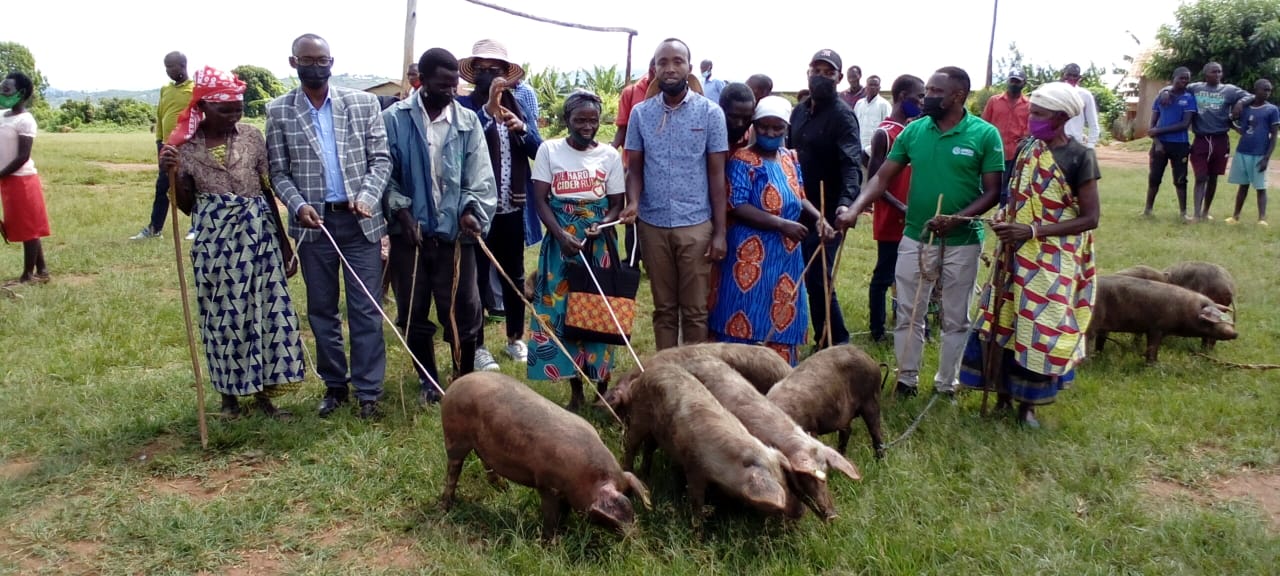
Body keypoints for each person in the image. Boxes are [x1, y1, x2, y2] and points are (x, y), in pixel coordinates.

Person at [836, 66, 1003, 401]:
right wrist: (854, 209)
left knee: (956, 317)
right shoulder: (914, 132)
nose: (927, 98)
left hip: (963, 240)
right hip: (916, 236)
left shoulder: (984, 134)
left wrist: (957, 218)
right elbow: (881, 177)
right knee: (909, 311)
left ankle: (946, 385)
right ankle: (906, 380)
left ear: (957, 96)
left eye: (935, 92)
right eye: (926, 90)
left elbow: (992, 192)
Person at [159, 66, 305, 419]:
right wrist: (170, 173)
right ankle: (229, 398)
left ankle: (265, 396)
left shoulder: (252, 137)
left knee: (267, 314)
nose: (234, 115)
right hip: (216, 244)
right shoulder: (183, 149)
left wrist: (285, 245)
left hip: (259, 239)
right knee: (224, 318)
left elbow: (268, 192)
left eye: (238, 108)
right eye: (226, 110)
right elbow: (187, 205)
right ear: (204, 108)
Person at [265, 34, 392, 419]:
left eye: (322, 60)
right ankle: (335, 386)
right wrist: (299, 204)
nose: (316, 66)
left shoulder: (363, 102)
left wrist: (368, 197)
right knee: (322, 310)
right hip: (314, 226)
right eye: (308, 60)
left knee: (366, 308)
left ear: (332, 62)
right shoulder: (279, 111)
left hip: (360, 222)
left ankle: (369, 390)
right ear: (293, 63)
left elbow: (381, 160)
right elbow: (278, 171)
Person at [959, 82, 1100, 427]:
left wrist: (1034, 231)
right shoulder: (1026, 150)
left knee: (1040, 326)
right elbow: (1014, 198)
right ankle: (1003, 397)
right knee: (1005, 322)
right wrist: (1004, 220)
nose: (1032, 118)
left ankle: (1028, 407)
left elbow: (1090, 218)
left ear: (1062, 116)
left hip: (1053, 258)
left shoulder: (1080, 157)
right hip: (1015, 253)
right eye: (1031, 112)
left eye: (1039, 113)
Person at [383, 48, 496, 406]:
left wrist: (470, 210)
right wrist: (401, 213)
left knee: (464, 311)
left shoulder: (467, 121)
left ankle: (463, 382)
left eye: (454, 85)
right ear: (423, 82)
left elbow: (479, 175)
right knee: (413, 311)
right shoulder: (394, 119)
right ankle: (429, 382)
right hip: (409, 238)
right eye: (442, 84)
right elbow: (385, 176)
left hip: (455, 238)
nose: (451, 91)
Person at [620, 38, 729, 351]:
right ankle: (666, 380)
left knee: (695, 310)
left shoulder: (710, 114)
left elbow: (716, 175)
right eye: (662, 62)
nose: (669, 68)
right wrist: (635, 202)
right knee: (664, 309)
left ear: (689, 68)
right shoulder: (641, 114)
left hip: (696, 224)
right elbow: (635, 169)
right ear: (654, 69)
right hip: (652, 225)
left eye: (677, 61)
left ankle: (696, 379)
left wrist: (720, 232)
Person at [709, 96, 834, 365]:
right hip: (749, 253)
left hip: (786, 255)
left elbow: (799, 194)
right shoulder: (742, 160)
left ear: (786, 129)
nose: (769, 132)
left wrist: (818, 217)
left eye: (777, 128)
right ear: (754, 126)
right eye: (763, 126)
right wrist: (781, 224)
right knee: (744, 310)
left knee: (782, 309)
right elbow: (736, 204)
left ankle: (778, 376)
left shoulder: (790, 157)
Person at [528, 90, 625, 409]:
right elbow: (541, 199)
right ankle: (576, 392)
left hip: (598, 245)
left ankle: (601, 388)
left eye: (593, 120)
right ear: (566, 120)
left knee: (599, 315)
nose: (587, 126)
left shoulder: (610, 155)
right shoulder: (549, 150)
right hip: (561, 245)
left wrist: (603, 225)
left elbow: (616, 205)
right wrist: (558, 234)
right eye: (580, 119)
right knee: (564, 313)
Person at [456, 39, 542, 370]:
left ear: (507, 74)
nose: (490, 74)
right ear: (474, 72)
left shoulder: (519, 105)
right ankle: (477, 346)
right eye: (483, 69)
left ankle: (514, 338)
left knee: (514, 275)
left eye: (496, 69)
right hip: (477, 210)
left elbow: (538, 150)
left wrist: (522, 130)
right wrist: (487, 111)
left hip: (512, 206)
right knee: (475, 278)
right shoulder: (464, 106)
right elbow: (462, 142)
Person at [790, 48, 862, 349]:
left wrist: (845, 204)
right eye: (816, 70)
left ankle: (836, 345)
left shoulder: (843, 117)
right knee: (797, 278)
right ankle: (813, 340)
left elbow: (851, 164)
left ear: (838, 78)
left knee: (820, 280)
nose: (820, 76)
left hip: (828, 211)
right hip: (795, 208)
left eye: (828, 72)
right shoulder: (799, 111)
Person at [866, 74, 924, 343]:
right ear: (902, 97)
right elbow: (874, 181)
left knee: (910, 274)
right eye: (918, 97)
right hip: (892, 218)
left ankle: (905, 322)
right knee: (884, 274)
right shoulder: (884, 133)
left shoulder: (915, 130)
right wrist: (901, 207)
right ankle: (877, 330)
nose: (922, 102)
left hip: (913, 217)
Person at [1180, 62, 1255, 220]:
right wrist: (1165, 93)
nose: (1218, 74)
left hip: (1220, 139)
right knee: (1200, 177)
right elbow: (1177, 87)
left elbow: (1251, 96)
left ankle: (1206, 211)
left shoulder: (1229, 90)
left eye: (1220, 72)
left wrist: (1240, 103)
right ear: (1206, 74)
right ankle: (1196, 214)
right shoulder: (1195, 88)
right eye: (1214, 72)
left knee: (1213, 177)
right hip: (1201, 139)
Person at [132, 51, 194, 241]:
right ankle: (154, 228)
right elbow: (160, 116)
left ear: (183, 65)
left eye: (171, 66)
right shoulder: (165, 89)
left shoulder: (194, 89)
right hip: (167, 146)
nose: (167, 71)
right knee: (163, 187)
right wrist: (159, 141)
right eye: (165, 67)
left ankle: (196, 227)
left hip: (188, 145)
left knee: (194, 185)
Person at [0, 72, 50, 285]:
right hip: (7, 178)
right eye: (2, 88)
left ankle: (28, 275)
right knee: (25, 225)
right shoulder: (2, 115)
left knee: (28, 227)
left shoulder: (26, 120)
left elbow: (23, 156)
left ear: (21, 93)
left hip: (22, 179)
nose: (2, 92)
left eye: (7, 89)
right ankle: (42, 270)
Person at [612, 58, 655, 267]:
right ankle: (631, 260)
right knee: (632, 215)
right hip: (633, 164)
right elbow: (622, 128)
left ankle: (650, 259)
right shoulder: (631, 93)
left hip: (657, 168)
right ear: (651, 70)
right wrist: (610, 153)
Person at [1144, 67, 1197, 219]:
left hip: (1180, 144)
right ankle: (1147, 210)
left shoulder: (1188, 98)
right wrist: (1157, 142)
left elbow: (1184, 124)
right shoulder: (1161, 97)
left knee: (1180, 179)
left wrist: (1158, 132)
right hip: (1160, 145)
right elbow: (1151, 125)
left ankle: (1183, 213)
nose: (1184, 81)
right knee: (1154, 177)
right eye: (1181, 78)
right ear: (1174, 78)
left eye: (1187, 79)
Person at [1227, 78, 1278, 226]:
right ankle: (1235, 217)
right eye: (1265, 89)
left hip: (1260, 154)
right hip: (1242, 152)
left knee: (1260, 187)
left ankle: (1262, 218)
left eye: (1269, 90)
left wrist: (1266, 158)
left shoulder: (1271, 110)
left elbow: (1273, 136)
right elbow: (1243, 130)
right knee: (1243, 186)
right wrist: (1231, 124)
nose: (1268, 92)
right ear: (1256, 90)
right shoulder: (1246, 108)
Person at [982, 69, 1030, 194]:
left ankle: (1004, 210)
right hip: (994, 152)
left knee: (1011, 189)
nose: (1014, 84)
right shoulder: (994, 101)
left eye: (1017, 81)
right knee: (990, 188)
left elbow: (1030, 129)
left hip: (1016, 153)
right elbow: (984, 124)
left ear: (1024, 83)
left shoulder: (1029, 104)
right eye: (1012, 80)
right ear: (1007, 81)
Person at [1060, 64, 1100, 148]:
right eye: (1069, 75)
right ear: (1064, 76)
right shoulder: (1055, 93)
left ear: (1079, 78)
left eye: (1074, 76)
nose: (1071, 78)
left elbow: (1093, 123)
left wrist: (1090, 145)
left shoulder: (1085, 95)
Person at [854, 75, 892, 161]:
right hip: (858, 150)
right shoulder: (859, 104)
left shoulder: (884, 105)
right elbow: (854, 125)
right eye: (870, 85)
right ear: (866, 87)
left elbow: (888, 130)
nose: (873, 87)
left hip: (874, 153)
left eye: (875, 85)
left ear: (879, 88)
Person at [720, 82, 756, 154]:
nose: (740, 124)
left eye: (746, 118)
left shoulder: (755, 143)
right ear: (720, 111)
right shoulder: (706, 141)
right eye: (734, 117)